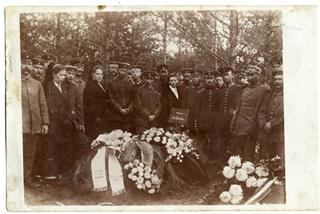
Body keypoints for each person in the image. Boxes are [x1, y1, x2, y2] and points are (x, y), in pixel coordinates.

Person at [43, 64, 84, 183]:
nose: (63, 78)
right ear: (54, 75)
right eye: (61, 75)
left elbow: (69, 105)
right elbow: (51, 107)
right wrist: (63, 119)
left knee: (64, 148)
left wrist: (69, 118)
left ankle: (62, 173)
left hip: (65, 123)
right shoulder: (49, 87)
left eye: (64, 75)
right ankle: (52, 175)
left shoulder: (65, 87)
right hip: (55, 123)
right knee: (53, 148)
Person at [21, 52, 49, 187]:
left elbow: (42, 104)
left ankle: (27, 178)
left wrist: (45, 122)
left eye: (29, 64)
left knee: (30, 153)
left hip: (34, 126)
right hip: (17, 125)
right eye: (24, 63)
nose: (26, 67)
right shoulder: (9, 81)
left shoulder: (37, 84)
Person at [230, 65, 268, 161]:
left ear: (258, 76)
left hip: (251, 128)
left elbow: (260, 110)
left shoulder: (263, 90)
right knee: (238, 153)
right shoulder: (245, 89)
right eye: (248, 74)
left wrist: (254, 127)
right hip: (240, 127)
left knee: (249, 153)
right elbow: (239, 108)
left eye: (252, 74)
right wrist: (233, 122)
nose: (249, 77)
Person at [258, 65, 284, 160]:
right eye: (275, 79)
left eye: (280, 79)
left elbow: (285, 116)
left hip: (279, 134)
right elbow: (262, 111)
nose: (277, 82)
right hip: (266, 134)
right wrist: (264, 124)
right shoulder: (269, 95)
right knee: (265, 161)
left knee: (278, 160)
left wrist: (272, 124)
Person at [215, 65, 242, 156]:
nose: (225, 77)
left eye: (227, 74)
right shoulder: (221, 89)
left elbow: (238, 107)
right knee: (221, 145)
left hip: (232, 122)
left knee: (233, 147)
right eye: (223, 75)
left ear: (233, 76)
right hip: (221, 122)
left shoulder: (238, 89)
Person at [83, 65, 109, 140]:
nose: (99, 76)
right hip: (93, 117)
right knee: (94, 137)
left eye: (101, 74)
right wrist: (96, 116)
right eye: (97, 74)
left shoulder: (101, 85)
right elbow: (90, 103)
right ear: (93, 74)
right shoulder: (90, 85)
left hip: (101, 116)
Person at [197, 70, 220, 158]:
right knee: (202, 145)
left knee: (214, 145)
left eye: (211, 78)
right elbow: (197, 111)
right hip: (203, 124)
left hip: (215, 124)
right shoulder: (200, 93)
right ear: (204, 79)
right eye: (207, 78)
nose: (209, 81)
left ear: (214, 79)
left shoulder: (218, 93)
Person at [107, 62, 135, 132]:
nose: (122, 72)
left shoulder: (130, 83)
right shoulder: (111, 83)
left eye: (124, 71)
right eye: (121, 70)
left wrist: (128, 109)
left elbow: (133, 98)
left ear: (126, 72)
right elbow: (111, 98)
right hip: (115, 115)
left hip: (127, 116)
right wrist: (120, 109)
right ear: (118, 70)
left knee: (126, 136)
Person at [181, 69, 203, 135]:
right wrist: (183, 120)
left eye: (197, 77)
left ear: (200, 77)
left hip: (201, 117)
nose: (195, 79)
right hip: (190, 117)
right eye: (194, 77)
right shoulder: (187, 89)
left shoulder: (203, 89)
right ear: (191, 77)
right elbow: (183, 105)